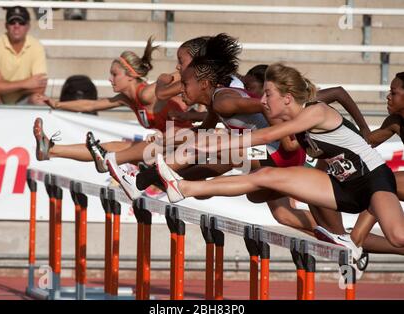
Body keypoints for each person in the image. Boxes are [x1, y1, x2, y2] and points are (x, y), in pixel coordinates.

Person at [156, 63, 404, 276]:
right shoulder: (294, 123)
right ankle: (183, 187)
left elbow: (268, 135)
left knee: (398, 237)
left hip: (373, 180)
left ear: (286, 98)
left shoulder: (315, 111)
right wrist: (211, 141)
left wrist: (220, 142)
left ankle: (351, 244)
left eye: (267, 94)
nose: (261, 101)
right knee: (265, 176)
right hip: (343, 187)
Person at [33, 37, 192, 173]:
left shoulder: (146, 93)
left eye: (114, 74)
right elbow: (90, 105)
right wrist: (57, 104)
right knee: (109, 148)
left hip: (186, 148)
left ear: (131, 76)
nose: (110, 79)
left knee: (120, 149)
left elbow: (183, 74)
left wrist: (202, 68)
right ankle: (51, 151)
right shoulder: (126, 98)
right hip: (167, 147)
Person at [0, 6, 47, 105]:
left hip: (24, 99)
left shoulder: (37, 46)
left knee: (40, 99)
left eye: (21, 22)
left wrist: (3, 84)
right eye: (12, 22)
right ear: (6, 25)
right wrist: (26, 84)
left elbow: (40, 88)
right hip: (0, 98)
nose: (17, 26)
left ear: (28, 26)